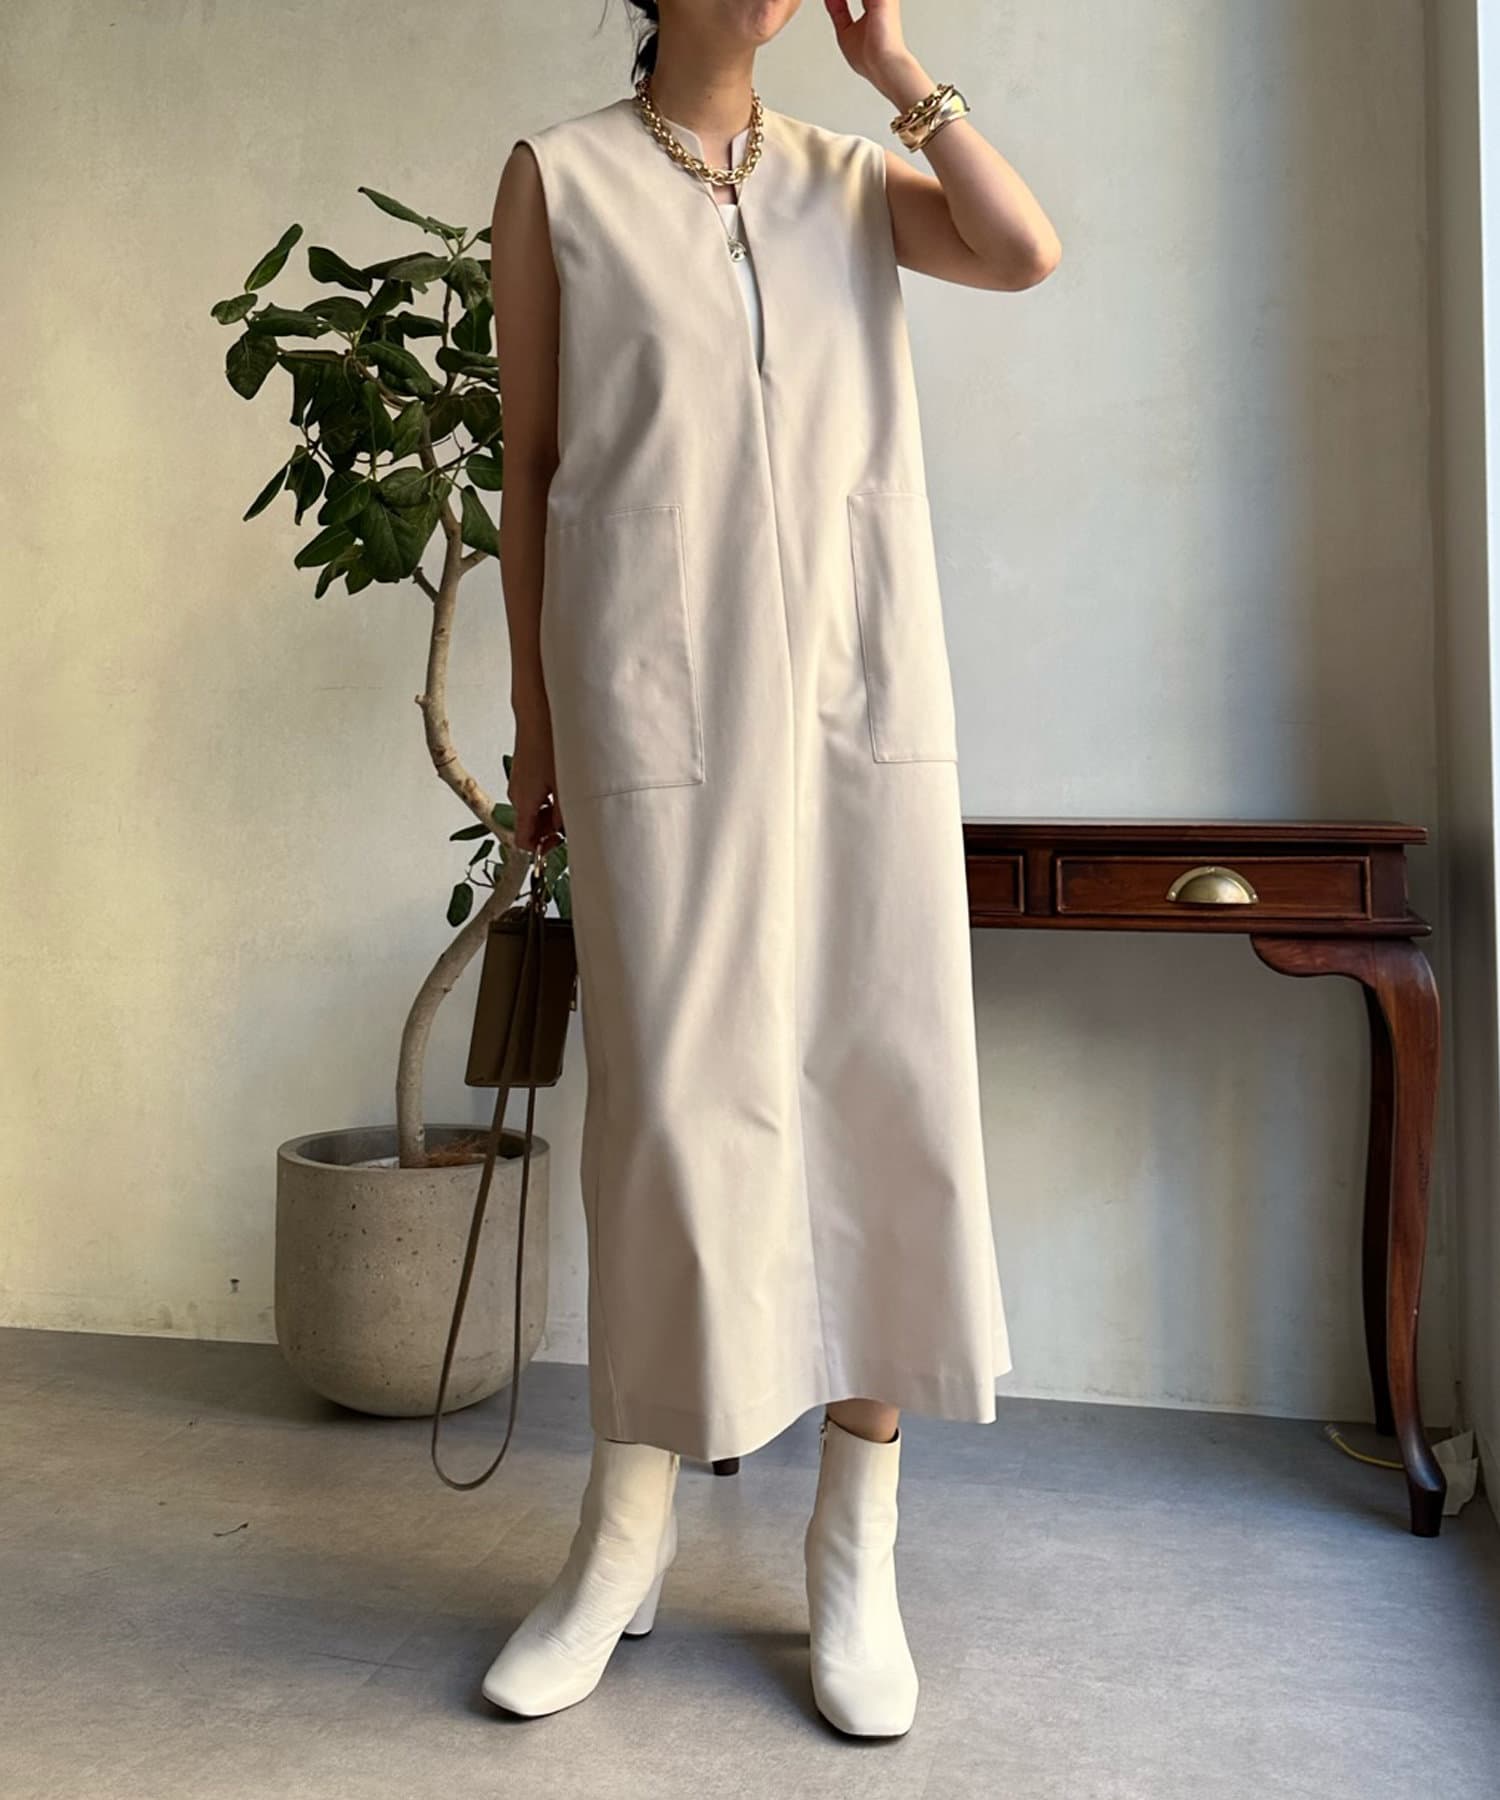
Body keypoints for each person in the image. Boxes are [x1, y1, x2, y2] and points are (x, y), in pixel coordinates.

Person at [482, 0, 1060, 1737]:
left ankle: (854, 1548)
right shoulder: (560, 180)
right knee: (672, 1109)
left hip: (859, 700)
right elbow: (529, 466)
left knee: (888, 1082)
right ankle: (625, 1536)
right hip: (651, 703)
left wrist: (900, 74)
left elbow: (1024, 251)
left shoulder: (849, 176)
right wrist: (535, 732)